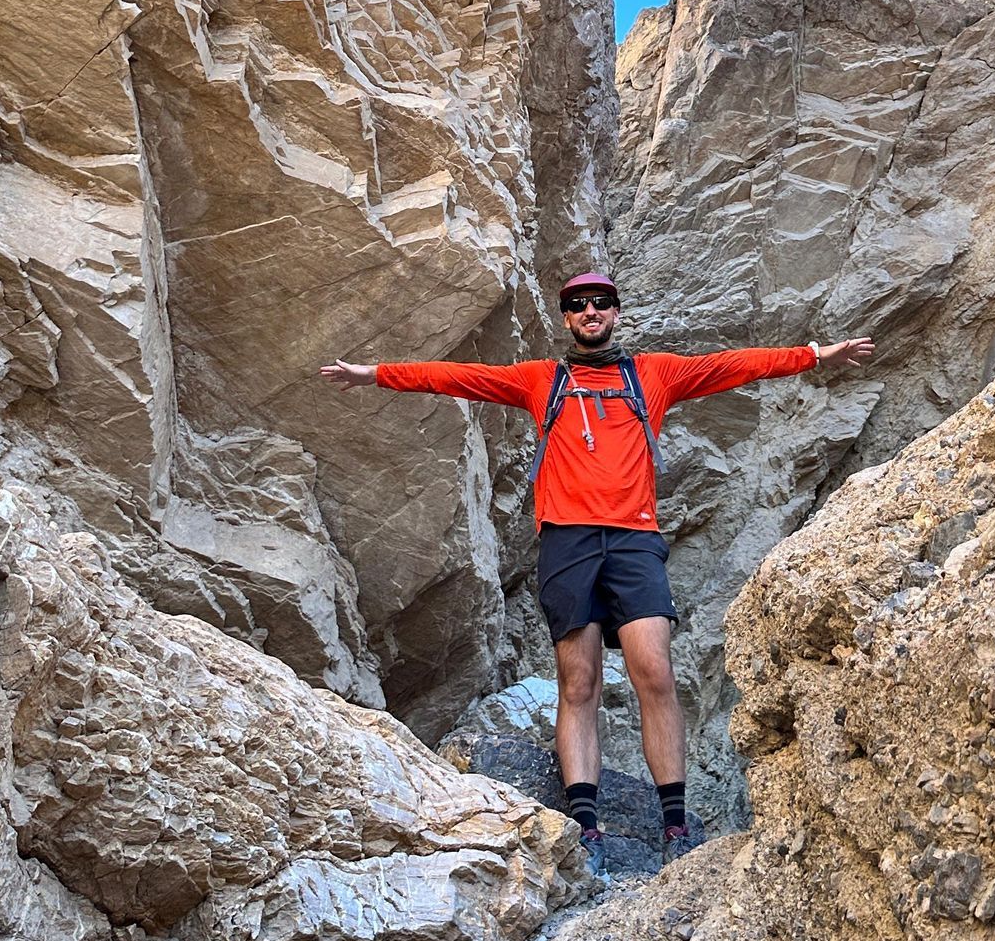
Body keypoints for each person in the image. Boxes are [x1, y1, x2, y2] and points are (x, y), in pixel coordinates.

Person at [321, 273, 873, 873]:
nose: (590, 311)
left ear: (615, 312)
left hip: (635, 538)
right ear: (566, 319)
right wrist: (374, 374)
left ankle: (675, 822)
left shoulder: (653, 375)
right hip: (567, 540)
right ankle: (585, 824)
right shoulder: (542, 381)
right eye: (577, 305)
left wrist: (815, 355)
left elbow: (732, 365)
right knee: (578, 680)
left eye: (600, 303)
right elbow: (457, 378)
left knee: (655, 672)